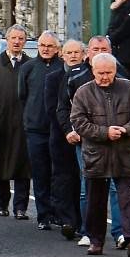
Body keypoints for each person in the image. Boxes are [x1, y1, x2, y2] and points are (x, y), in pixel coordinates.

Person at [70, 52, 130, 257]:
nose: (105, 77)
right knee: (95, 200)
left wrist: (126, 130)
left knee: (126, 198)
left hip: (125, 153)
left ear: (115, 71)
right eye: (100, 73)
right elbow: (79, 122)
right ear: (93, 71)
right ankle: (96, 240)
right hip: (96, 155)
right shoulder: (83, 92)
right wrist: (105, 133)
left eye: (109, 73)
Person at [57, 36, 127, 248]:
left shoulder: (122, 76)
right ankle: (89, 231)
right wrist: (69, 130)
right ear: (88, 53)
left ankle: (120, 233)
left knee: (116, 187)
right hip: (87, 141)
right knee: (88, 187)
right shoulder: (76, 76)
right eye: (95, 49)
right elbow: (63, 108)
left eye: (103, 48)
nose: (99, 52)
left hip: (116, 141)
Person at [0, 24, 31, 219]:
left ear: (24, 42)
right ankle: (2, 204)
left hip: (23, 125)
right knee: (0, 166)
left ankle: (21, 208)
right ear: (7, 40)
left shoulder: (29, 64)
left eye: (21, 39)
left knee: (23, 168)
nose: (17, 42)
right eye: (14, 38)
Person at [18, 30, 62, 230]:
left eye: (50, 46)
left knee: (58, 174)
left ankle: (57, 213)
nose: (45, 49)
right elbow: (22, 95)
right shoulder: (28, 68)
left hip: (58, 131)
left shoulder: (62, 68)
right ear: (37, 47)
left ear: (57, 49)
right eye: (42, 45)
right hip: (35, 130)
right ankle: (43, 215)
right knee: (40, 174)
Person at [44, 39, 84, 240]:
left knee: (81, 182)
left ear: (83, 55)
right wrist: (68, 130)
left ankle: (81, 221)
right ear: (62, 54)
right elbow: (52, 110)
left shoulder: (89, 76)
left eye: (77, 52)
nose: (73, 56)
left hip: (85, 138)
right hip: (61, 138)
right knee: (63, 180)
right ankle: (67, 220)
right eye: (69, 52)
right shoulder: (53, 78)